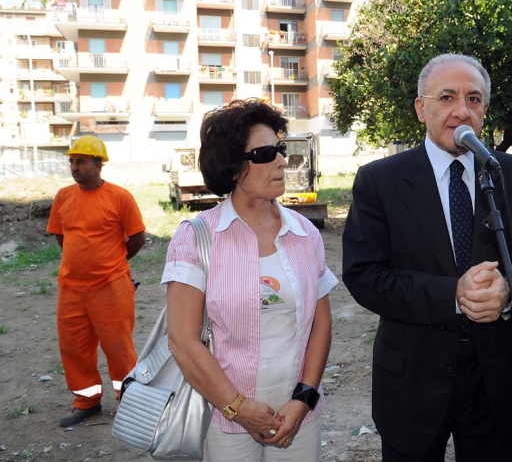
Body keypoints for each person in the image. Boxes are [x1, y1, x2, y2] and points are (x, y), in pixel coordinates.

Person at [342, 53, 512, 462]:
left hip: (495, 379)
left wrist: (508, 292)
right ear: (422, 108)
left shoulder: (510, 174)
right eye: (447, 97)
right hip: (412, 380)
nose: (462, 110)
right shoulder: (379, 180)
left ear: (485, 110)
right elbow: (364, 276)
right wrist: (453, 295)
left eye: (474, 99)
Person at [161, 98, 337, 461]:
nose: (282, 161)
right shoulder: (197, 238)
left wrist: (304, 398)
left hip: (297, 415)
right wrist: (238, 408)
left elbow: (321, 322)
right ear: (233, 166)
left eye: (282, 150)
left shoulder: (305, 233)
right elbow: (182, 340)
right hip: (224, 419)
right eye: (265, 153)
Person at [46, 135, 146, 427]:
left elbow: (137, 237)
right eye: (71, 162)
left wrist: (113, 262)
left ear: (98, 164)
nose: (74, 167)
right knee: (74, 348)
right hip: (71, 288)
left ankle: (129, 401)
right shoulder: (64, 196)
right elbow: (60, 235)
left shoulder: (120, 197)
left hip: (111, 286)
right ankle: (87, 402)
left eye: (80, 162)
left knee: (118, 347)